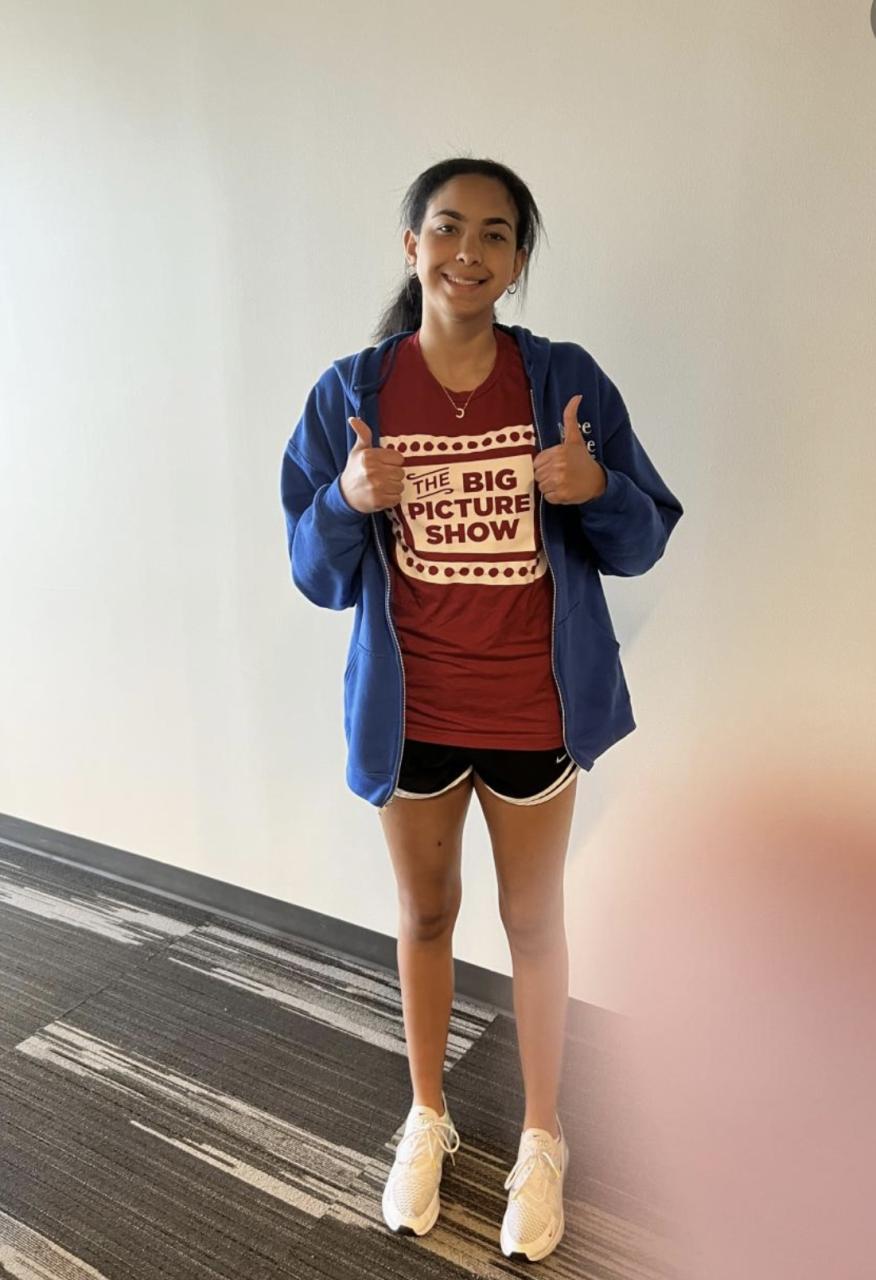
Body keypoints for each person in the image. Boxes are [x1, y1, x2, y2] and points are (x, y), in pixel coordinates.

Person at [280, 157, 683, 1263]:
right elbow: (312, 570)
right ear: (411, 246)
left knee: (535, 923)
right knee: (424, 917)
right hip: (409, 712)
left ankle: (544, 1136)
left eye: (495, 234)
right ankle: (427, 1114)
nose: (469, 251)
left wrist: (595, 488)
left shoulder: (563, 380)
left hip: (533, 711)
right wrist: (344, 499)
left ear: (516, 262)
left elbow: (643, 537)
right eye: (448, 227)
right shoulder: (350, 394)